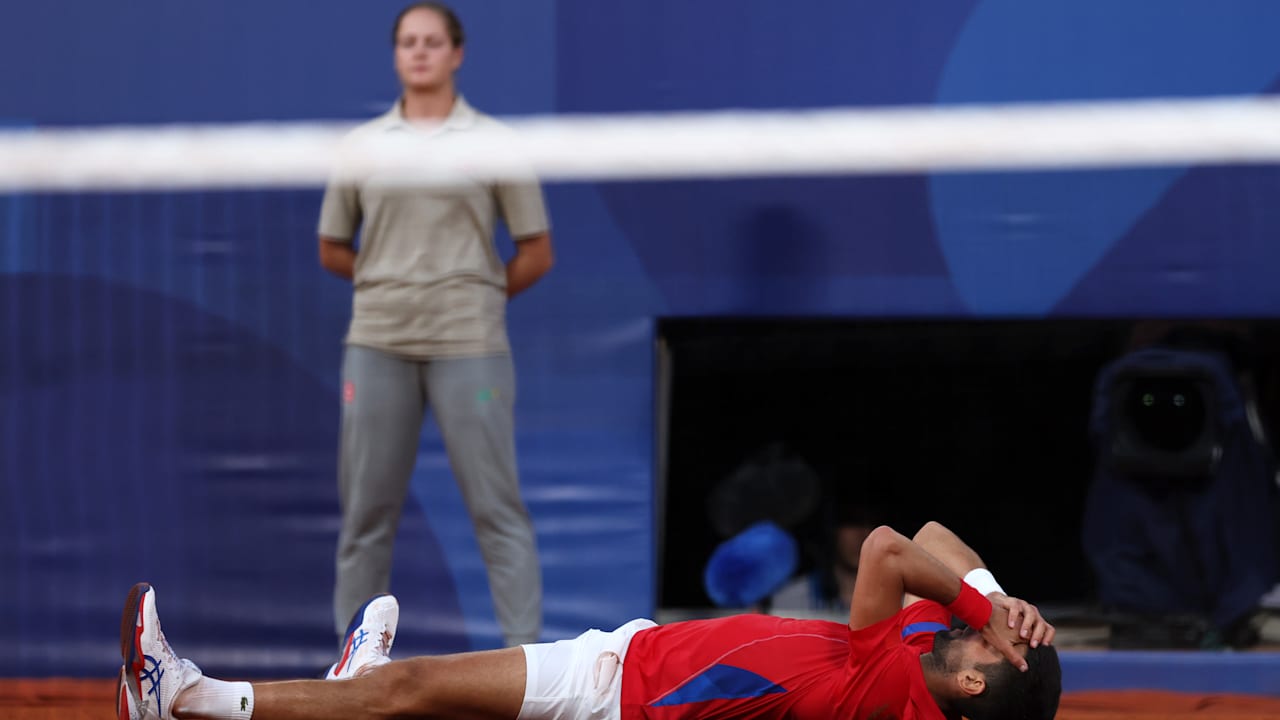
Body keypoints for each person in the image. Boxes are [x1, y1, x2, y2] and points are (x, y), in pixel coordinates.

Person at [116, 520, 1061, 720]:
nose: (982, 626)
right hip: (631, 657)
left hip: (621, 702)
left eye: (990, 641)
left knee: (406, 693)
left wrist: (984, 598)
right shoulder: (925, 649)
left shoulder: (889, 686)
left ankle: (187, 695)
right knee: (411, 697)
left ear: (973, 681)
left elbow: (893, 546)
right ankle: (348, 695)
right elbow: (943, 534)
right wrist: (999, 595)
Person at [317, 2, 553, 648]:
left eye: (432, 41)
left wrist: (475, 295)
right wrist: (392, 279)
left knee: (498, 511)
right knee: (366, 516)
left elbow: (536, 250)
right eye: (407, 42)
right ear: (396, 55)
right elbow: (332, 246)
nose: (419, 52)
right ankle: (354, 665)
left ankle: (526, 665)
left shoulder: (495, 144)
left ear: (457, 53)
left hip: (470, 347)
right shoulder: (362, 147)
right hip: (377, 344)